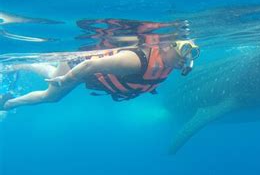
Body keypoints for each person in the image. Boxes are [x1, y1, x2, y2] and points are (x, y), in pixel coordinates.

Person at [0, 38, 200, 111]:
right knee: (51, 96)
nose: (186, 58)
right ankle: (7, 104)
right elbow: (89, 65)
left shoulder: (165, 63)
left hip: (91, 73)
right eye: (184, 49)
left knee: (53, 74)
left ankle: (22, 65)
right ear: (167, 45)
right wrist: (66, 79)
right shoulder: (134, 61)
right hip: (80, 65)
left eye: (192, 52)